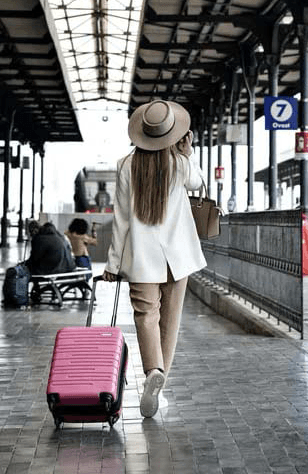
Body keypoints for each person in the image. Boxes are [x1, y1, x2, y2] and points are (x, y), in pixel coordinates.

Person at [103, 99, 206, 418]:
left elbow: (120, 219)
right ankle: (160, 380)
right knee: (170, 322)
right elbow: (198, 184)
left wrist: (112, 264)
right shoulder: (179, 163)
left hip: (142, 260)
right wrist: (188, 153)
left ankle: (152, 371)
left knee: (145, 316)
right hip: (180, 258)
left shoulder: (124, 165)